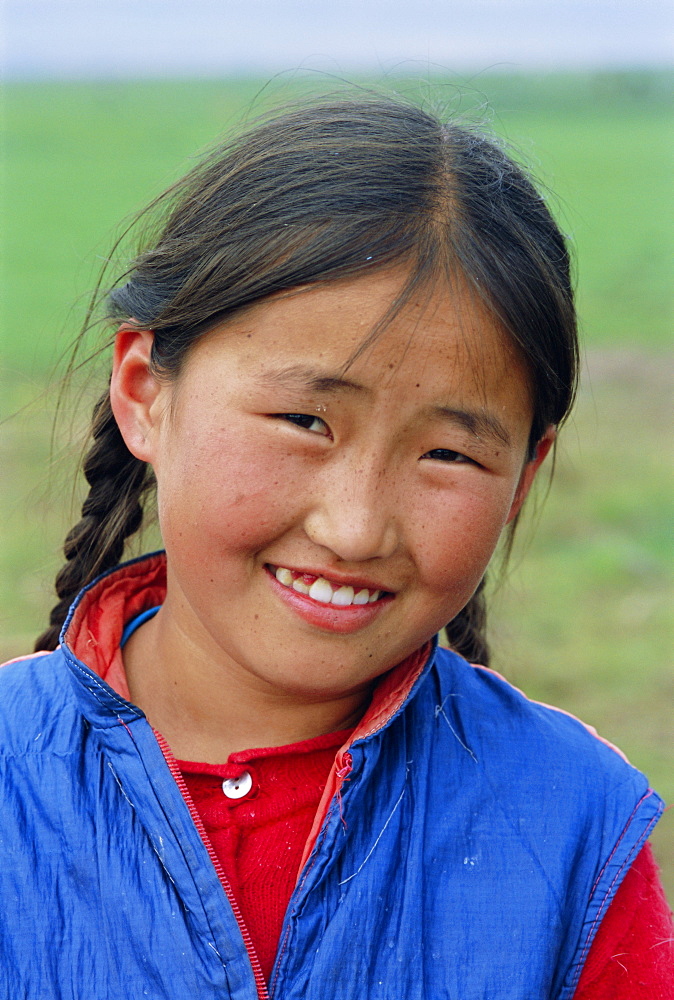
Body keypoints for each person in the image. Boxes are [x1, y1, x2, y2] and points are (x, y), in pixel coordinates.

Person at [0, 97, 671, 1000]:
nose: (355, 528)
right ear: (145, 394)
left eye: (448, 453)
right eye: (305, 420)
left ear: (522, 477)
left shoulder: (571, 822)